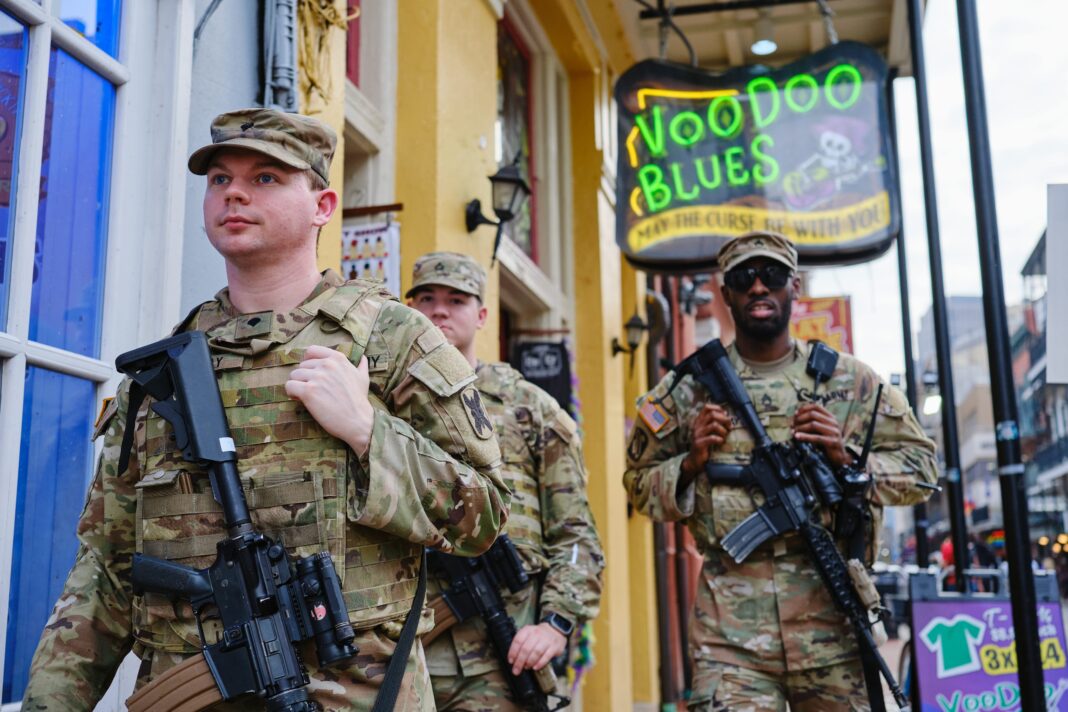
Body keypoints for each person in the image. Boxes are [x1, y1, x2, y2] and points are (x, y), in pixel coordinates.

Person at [22, 109, 511, 711]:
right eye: (219, 179)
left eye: (266, 178)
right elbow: (106, 567)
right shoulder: (166, 370)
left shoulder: (392, 340)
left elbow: (486, 517)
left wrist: (368, 432)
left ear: (323, 206)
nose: (234, 193)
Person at [623, 231, 938, 711]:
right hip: (731, 639)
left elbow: (923, 470)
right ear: (725, 293)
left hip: (833, 628)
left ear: (794, 285)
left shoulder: (851, 382)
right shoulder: (686, 392)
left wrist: (849, 459)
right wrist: (689, 463)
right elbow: (637, 484)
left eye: (771, 275)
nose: (757, 287)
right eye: (742, 278)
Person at [406, 252, 604, 711]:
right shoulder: (383, 403)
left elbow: (576, 534)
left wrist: (555, 624)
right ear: (410, 309)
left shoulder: (530, 408)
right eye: (427, 299)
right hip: (402, 655)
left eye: (456, 300)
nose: (440, 311)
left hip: (500, 659)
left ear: (481, 315)